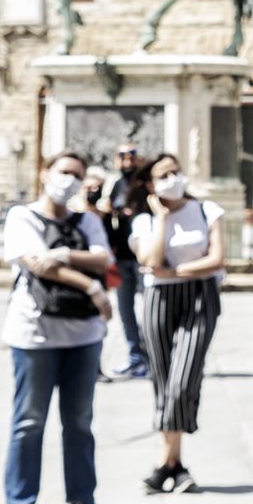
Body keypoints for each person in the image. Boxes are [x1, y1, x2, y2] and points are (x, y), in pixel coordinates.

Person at [1, 150, 114, 504]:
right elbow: (34, 262)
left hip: (84, 334)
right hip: (34, 333)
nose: (69, 179)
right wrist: (91, 285)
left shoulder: (88, 220)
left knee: (79, 421)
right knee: (29, 421)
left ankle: (83, 501)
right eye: (63, 171)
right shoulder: (22, 216)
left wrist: (63, 254)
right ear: (45, 172)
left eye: (77, 174)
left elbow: (103, 258)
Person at [131, 153, 225, 494]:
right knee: (163, 379)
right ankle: (176, 465)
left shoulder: (206, 210)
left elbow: (216, 260)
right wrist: (161, 218)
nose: (173, 177)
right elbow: (149, 259)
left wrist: (174, 271)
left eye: (176, 171)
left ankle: (163, 464)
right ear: (150, 184)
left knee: (183, 381)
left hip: (199, 299)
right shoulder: (144, 220)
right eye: (164, 174)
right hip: (159, 301)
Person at [95, 144, 151, 378]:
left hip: (143, 258)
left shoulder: (144, 186)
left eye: (132, 157)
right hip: (120, 258)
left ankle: (152, 356)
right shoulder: (114, 184)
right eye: (122, 157)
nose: (127, 162)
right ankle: (135, 356)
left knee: (149, 310)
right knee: (125, 311)